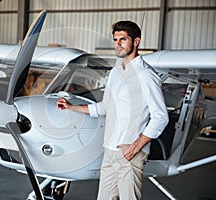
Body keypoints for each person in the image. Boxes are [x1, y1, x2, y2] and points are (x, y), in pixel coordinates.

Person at [56, 20, 169, 200]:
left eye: (123, 39)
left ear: (136, 42)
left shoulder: (146, 75)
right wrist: (71, 107)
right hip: (109, 150)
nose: (117, 44)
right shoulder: (115, 73)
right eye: (115, 40)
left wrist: (135, 147)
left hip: (129, 152)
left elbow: (161, 117)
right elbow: (104, 107)